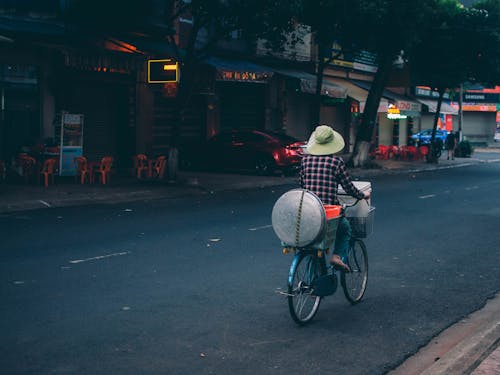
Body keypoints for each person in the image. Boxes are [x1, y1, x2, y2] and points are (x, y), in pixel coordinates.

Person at [300, 125, 370, 272]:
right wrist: (362, 195)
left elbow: (303, 185)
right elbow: (348, 187)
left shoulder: (305, 161)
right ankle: (336, 257)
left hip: (310, 210)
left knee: (314, 242)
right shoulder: (336, 163)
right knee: (345, 229)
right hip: (329, 212)